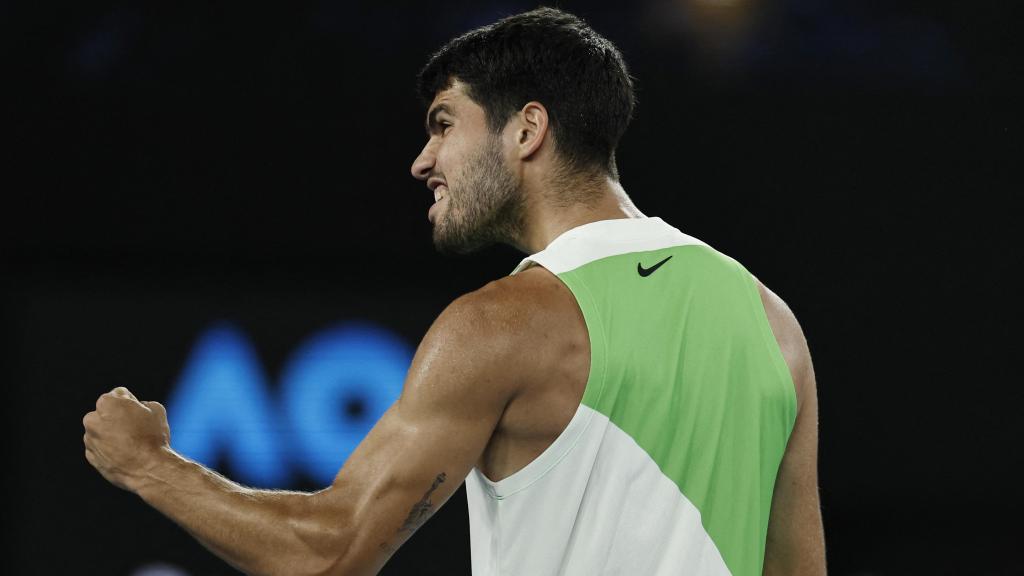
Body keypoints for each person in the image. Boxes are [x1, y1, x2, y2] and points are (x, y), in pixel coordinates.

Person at [83, 7, 825, 575]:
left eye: (443, 125)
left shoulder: (506, 322)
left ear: (527, 129)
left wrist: (148, 464)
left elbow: (331, 551)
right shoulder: (771, 321)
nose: (421, 160)